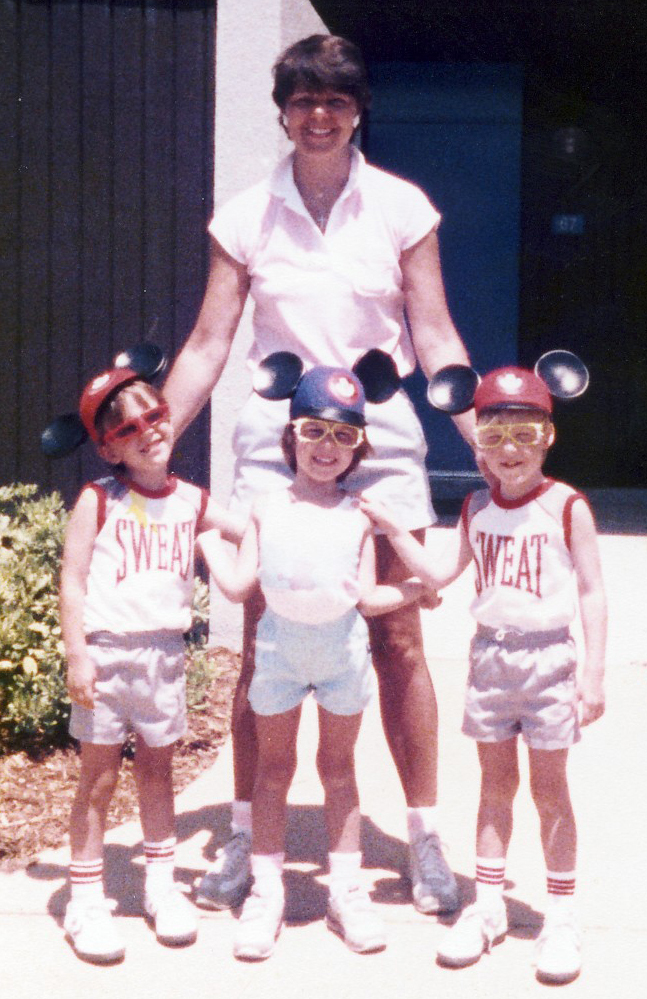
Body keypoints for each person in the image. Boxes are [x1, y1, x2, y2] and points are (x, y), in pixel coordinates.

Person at [164, 33, 475, 916]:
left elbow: (438, 336)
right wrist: (153, 433)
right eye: (302, 100)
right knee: (266, 639)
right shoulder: (243, 216)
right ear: (282, 109)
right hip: (275, 443)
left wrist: (484, 434)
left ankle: (422, 838)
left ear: (357, 108)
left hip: (379, 438)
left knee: (397, 639)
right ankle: (239, 835)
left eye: (334, 100)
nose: (318, 116)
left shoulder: (402, 208)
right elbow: (208, 344)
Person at [360, 364, 606, 985]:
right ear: (477, 447)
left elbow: (593, 591)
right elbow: (440, 575)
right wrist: (392, 528)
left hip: (549, 660)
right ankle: (488, 904)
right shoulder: (474, 508)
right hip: (490, 660)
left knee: (550, 790)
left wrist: (593, 672)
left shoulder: (566, 506)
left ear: (547, 435)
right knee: (494, 786)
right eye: (493, 438)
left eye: (524, 434)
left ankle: (562, 914)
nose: (509, 452)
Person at [198, 363, 433, 959]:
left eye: (343, 435)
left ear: (358, 447)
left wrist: (412, 591)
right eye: (314, 431)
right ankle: (267, 889)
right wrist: (203, 543)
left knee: (338, 770)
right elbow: (239, 584)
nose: (326, 447)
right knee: (273, 770)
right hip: (278, 654)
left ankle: (346, 891)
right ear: (290, 435)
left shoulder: (359, 515)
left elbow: (366, 596)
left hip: (340, 654)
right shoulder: (264, 506)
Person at [59, 364, 244, 964]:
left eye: (154, 417)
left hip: (165, 656)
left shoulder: (191, 500)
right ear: (108, 445)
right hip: (107, 655)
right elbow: (74, 579)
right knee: (100, 776)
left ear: (169, 417)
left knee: (158, 772)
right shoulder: (100, 500)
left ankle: (160, 887)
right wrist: (77, 654)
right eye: (128, 428)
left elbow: (249, 529)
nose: (147, 432)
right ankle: (86, 898)